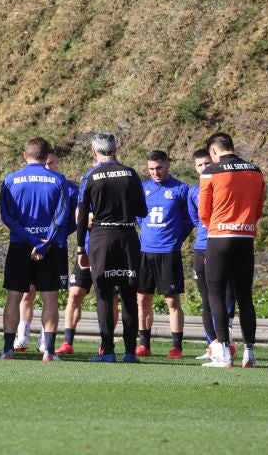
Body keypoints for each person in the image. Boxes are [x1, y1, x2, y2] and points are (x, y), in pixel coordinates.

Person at [76, 133, 146, 363]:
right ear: (115, 150)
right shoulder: (130, 173)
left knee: (104, 295)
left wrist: (80, 248)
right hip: (127, 237)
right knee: (129, 294)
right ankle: (130, 352)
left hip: (101, 238)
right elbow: (142, 211)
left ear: (93, 152)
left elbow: (82, 216)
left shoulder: (90, 175)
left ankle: (107, 351)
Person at [199, 132, 265, 368]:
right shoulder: (255, 170)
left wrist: (216, 227)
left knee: (215, 293)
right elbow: (259, 206)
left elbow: (203, 211)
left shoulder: (211, 171)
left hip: (220, 236)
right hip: (245, 236)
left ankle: (224, 353)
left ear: (213, 151)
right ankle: (250, 353)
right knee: (245, 295)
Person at [0, 137, 69, 361]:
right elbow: (61, 216)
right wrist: (43, 242)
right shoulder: (58, 179)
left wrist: (30, 238)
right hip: (48, 247)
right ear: (47, 157)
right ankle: (48, 351)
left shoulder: (10, 180)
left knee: (13, 298)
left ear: (24, 154)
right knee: (50, 299)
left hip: (20, 245)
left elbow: (7, 217)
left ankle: (8, 350)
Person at [16, 152, 77, 353]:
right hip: (29, 244)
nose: (47, 166)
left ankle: (45, 340)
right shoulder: (28, 182)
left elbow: (74, 219)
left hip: (55, 247)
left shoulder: (68, 187)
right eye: (45, 162)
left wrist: (56, 236)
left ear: (57, 162)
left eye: (51, 163)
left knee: (50, 296)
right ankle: (22, 337)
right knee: (27, 293)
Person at [135, 150, 193, 359]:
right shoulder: (143, 188)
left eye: (159, 167)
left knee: (171, 300)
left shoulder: (180, 189)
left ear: (168, 164)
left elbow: (190, 218)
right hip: (145, 251)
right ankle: (144, 345)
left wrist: (178, 238)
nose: (155, 172)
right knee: (142, 299)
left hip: (168, 252)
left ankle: (176, 346)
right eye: (151, 169)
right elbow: (138, 216)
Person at [189, 149, 236, 360]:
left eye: (207, 163)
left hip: (223, 243)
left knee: (227, 295)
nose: (204, 167)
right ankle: (213, 346)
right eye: (200, 165)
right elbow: (195, 218)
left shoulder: (226, 184)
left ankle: (227, 341)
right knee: (206, 299)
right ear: (195, 168)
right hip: (202, 247)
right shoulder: (193, 191)